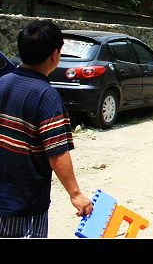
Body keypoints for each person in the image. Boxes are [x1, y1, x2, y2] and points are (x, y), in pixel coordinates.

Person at [0, 20, 93, 238]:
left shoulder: (2, 82)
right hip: (24, 205)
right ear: (54, 55)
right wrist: (76, 194)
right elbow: (58, 153)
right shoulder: (46, 96)